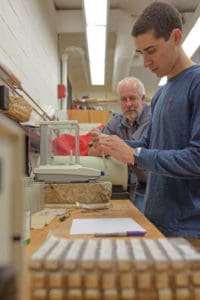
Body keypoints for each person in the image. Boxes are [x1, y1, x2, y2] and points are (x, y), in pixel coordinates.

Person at [91, 2, 200, 237]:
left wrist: (135, 155)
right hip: (156, 221)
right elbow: (150, 146)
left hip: (189, 231)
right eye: (141, 54)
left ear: (176, 37)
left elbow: (197, 159)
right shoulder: (160, 94)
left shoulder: (196, 84)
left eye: (151, 51)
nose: (145, 62)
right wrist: (115, 146)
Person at [89, 77, 151, 212]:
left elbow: (140, 149)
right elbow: (92, 151)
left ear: (142, 99)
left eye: (132, 98)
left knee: (141, 220)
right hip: (122, 184)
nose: (128, 104)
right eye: (124, 100)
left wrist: (110, 147)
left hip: (149, 187)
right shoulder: (115, 122)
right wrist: (101, 146)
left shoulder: (154, 118)